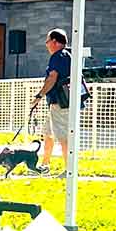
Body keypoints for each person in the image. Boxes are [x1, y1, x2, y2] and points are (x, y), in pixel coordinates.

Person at [31, 28, 73, 173]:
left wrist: (39, 96)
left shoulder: (57, 56)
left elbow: (52, 78)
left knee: (63, 136)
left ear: (54, 42)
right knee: (48, 133)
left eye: (47, 41)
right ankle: (45, 165)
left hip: (60, 103)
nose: (46, 44)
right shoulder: (67, 55)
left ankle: (70, 169)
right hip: (59, 102)